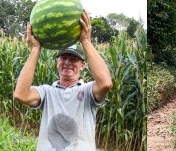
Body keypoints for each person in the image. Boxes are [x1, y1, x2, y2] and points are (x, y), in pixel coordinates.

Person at [13, 10, 113, 151]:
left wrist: (85, 41)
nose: (67, 62)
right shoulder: (47, 92)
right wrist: (35, 49)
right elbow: (20, 94)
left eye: (73, 59)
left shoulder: (87, 91)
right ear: (57, 62)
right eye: (63, 58)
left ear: (82, 65)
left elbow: (106, 83)